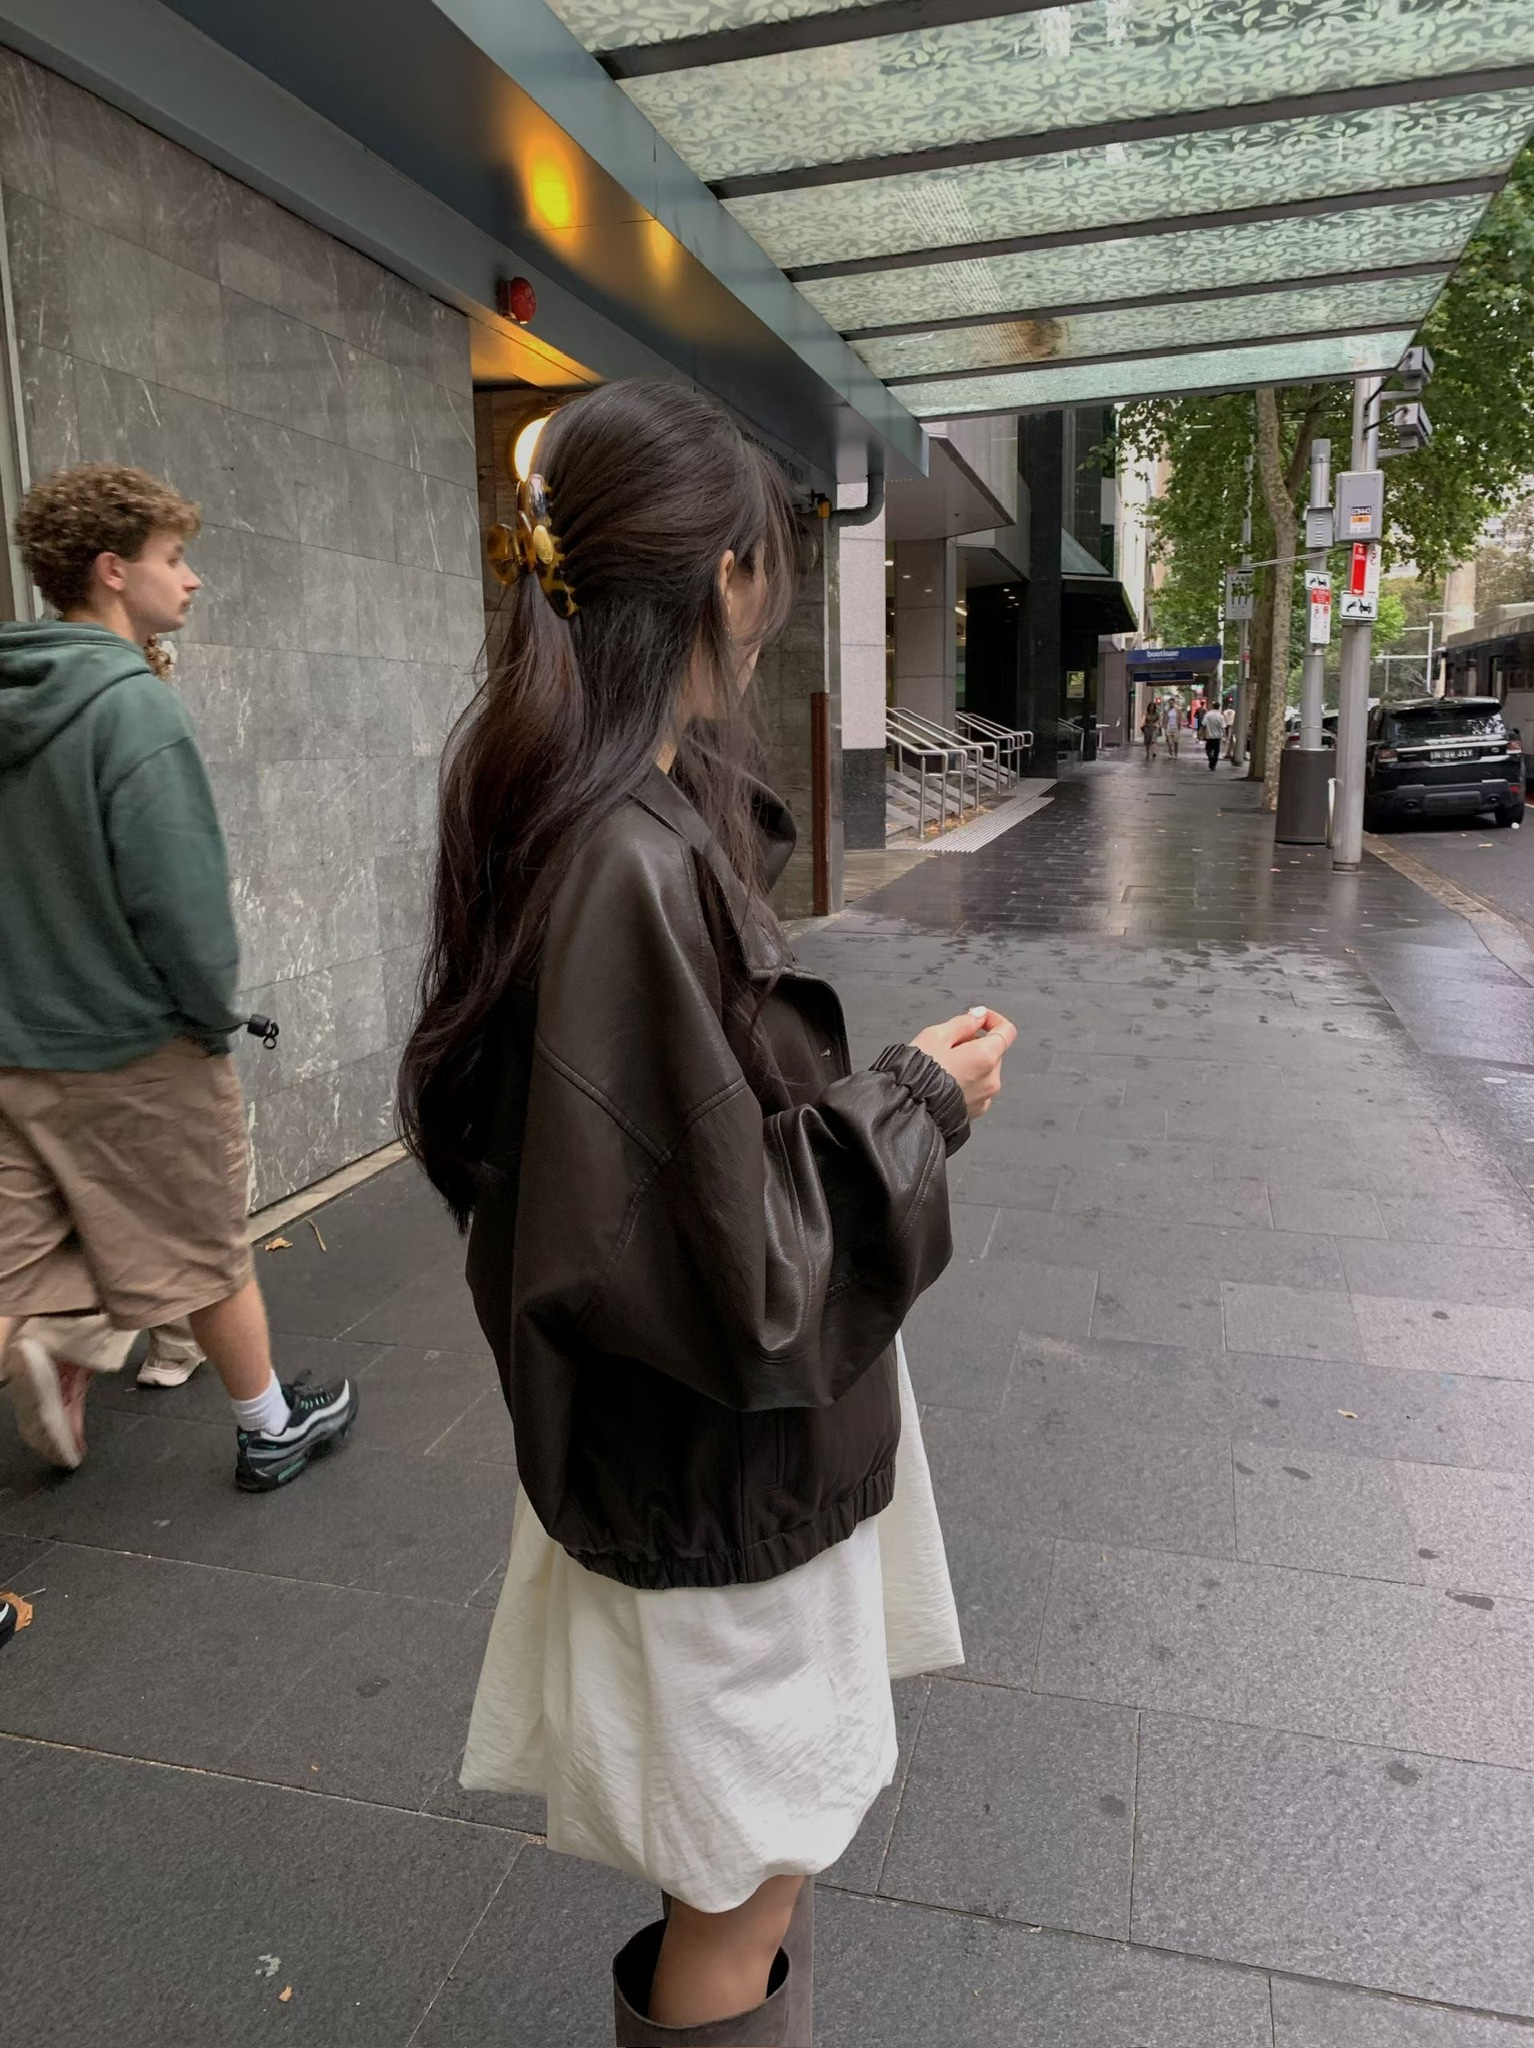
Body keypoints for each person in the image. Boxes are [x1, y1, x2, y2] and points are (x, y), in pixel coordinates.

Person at [399, 380, 1014, 2046]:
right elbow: (741, 1268)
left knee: (747, 1876)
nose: (775, 592)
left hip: (698, 1465)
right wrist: (920, 1101)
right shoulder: (628, 857)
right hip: (716, 1472)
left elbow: (676, 1175)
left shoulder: (593, 809)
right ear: (724, 577)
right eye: (769, 558)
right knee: (744, 1892)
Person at [0, 463, 356, 1487]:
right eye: (173, 556)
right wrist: (209, 1017)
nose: (190, 578)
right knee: (205, 1239)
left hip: (15, 1042)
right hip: (134, 1039)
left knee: (19, 1252)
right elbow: (181, 902)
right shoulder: (132, 709)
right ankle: (269, 1425)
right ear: (112, 571)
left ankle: (57, 1335)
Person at [1202, 700, 1226, 770]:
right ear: (1219, 707)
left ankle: (1210, 757)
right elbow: (1223, 727)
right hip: (1217, 737)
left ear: (1213, 706)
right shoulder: (1220, 716)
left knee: (1208, 750)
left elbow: (1203, 724)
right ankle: (1213, 765)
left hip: (1209, 736)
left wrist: (1202, 734)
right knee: (1216, 751)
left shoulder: (1207, 715)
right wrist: (1224, 736)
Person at [1140, 697, 1160, 762]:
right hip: (1147, 728)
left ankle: (1154, 752)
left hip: (1154, 728)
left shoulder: (1156, 714)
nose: (1152, 708)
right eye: (1150, 707)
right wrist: (1142, 725)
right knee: (1147, 742)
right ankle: (1148, 753)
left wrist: (1157, 724)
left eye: (1153, 707)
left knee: (1153, 740)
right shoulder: (1146, 713)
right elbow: (1143, 719)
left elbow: (1159, 720)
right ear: (1148, 707)